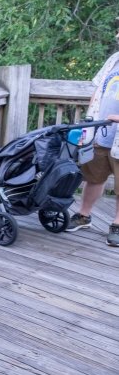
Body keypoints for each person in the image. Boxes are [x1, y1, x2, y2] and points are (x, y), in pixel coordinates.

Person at [66, 31, 119, 245]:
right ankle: (84, 215)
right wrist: (91, 118)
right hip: (100, 132)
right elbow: (98, 90)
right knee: (93, 176)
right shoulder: (114, 59)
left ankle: (117, 224)